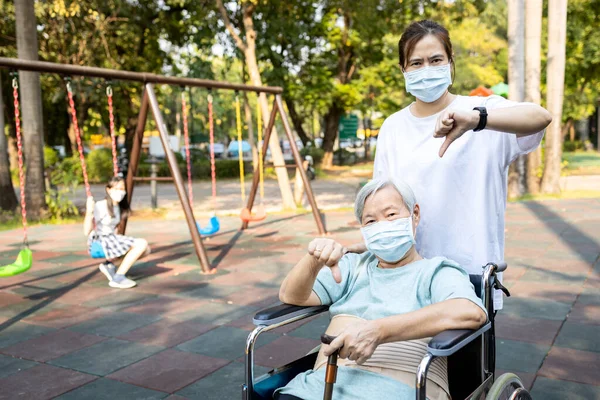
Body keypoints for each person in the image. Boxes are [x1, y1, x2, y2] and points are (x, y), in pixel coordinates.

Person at [369, 20, 552, 309]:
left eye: (436, 60)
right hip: (412, 276)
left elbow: (540, 117)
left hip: (473, 274)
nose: (426, 69)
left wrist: (477, 119)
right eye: (416, 63)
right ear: (403, 70)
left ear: (450, 63)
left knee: (467, 352)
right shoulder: (393, 127)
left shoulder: (482, 111)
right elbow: (382, 206)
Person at [275, 178, 487, 400]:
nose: (382, 225)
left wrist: (378, 330)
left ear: (415, 214)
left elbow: (471, 312)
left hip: (400, 389)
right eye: (371, 221)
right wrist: (313, 260)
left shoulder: (435, 271)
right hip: (323, 386)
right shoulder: (351, 267)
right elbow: (291, 296)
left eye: (391, 215)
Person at [83, 176, 150, 289]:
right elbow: (86, 231)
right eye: (116, 188)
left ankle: (110, 265)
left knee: (146, 250)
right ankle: (118, 278)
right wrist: (89, 212)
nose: (120, 192)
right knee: (141, 243)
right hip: (100, 242)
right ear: (108, 190)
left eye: (122, 189)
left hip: (111, 238)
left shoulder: (118, 207)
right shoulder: (101, 205)